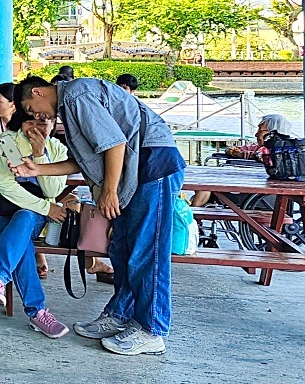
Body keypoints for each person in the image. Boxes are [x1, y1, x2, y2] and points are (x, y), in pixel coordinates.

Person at [13, 75, 185, 357]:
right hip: (133, 172)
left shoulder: (77, 95)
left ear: (38, 91)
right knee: (121, 248)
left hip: (153, 166)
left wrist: (108, 191)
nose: (37, 116)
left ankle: (152, 329)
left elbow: (114, 144)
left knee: (147, 251)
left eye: (32, 109)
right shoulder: (69, 109)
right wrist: (37, 170)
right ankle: (120, 315)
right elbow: (82, 160)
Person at [0, 111, 74, 339]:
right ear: (20, 122)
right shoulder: (8, 142)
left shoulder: (58, 150)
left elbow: (53, 191)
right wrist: (47, 209)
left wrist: (39, 155)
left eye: (43, 122)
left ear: (53, 124)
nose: (36, 128)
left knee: (25, 218)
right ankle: (37, 313)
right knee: (22, 244)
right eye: (30, 121)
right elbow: (6, 186)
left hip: (30, 216)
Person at [0, 82, 48, 278]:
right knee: (21, 231)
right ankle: (34, 303)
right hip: (1, 192)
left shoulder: (35, 131)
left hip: (30, 192)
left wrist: (36, 158)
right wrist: (2, 158)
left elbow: (52, 183)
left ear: (14, 104)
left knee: (24, 223)